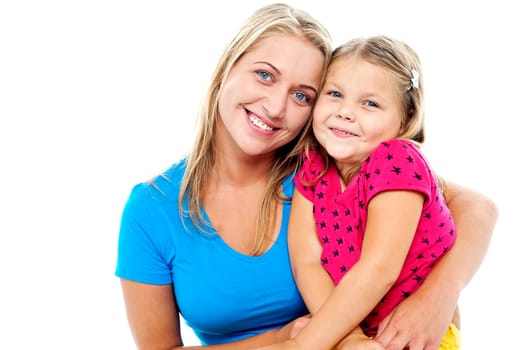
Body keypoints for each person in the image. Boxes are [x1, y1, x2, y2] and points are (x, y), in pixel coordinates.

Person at [115, 3, 498, 350]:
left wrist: (439, 295)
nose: (277, 106)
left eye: (302, 96)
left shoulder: (328, 163)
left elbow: (476, 208)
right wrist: (286, 339)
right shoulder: (151, 210)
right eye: (264, 75)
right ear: (227, 67)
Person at [252, 35, 467, 350]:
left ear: (404, 119)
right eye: (335, 94)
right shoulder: (313, 168)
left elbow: (379, 269)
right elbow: (307, 262)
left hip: (412, 338)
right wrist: (349, 339)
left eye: (370, 103)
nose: (345, 112)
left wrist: (303, 346)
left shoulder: (397, 160)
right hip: (348, 334)